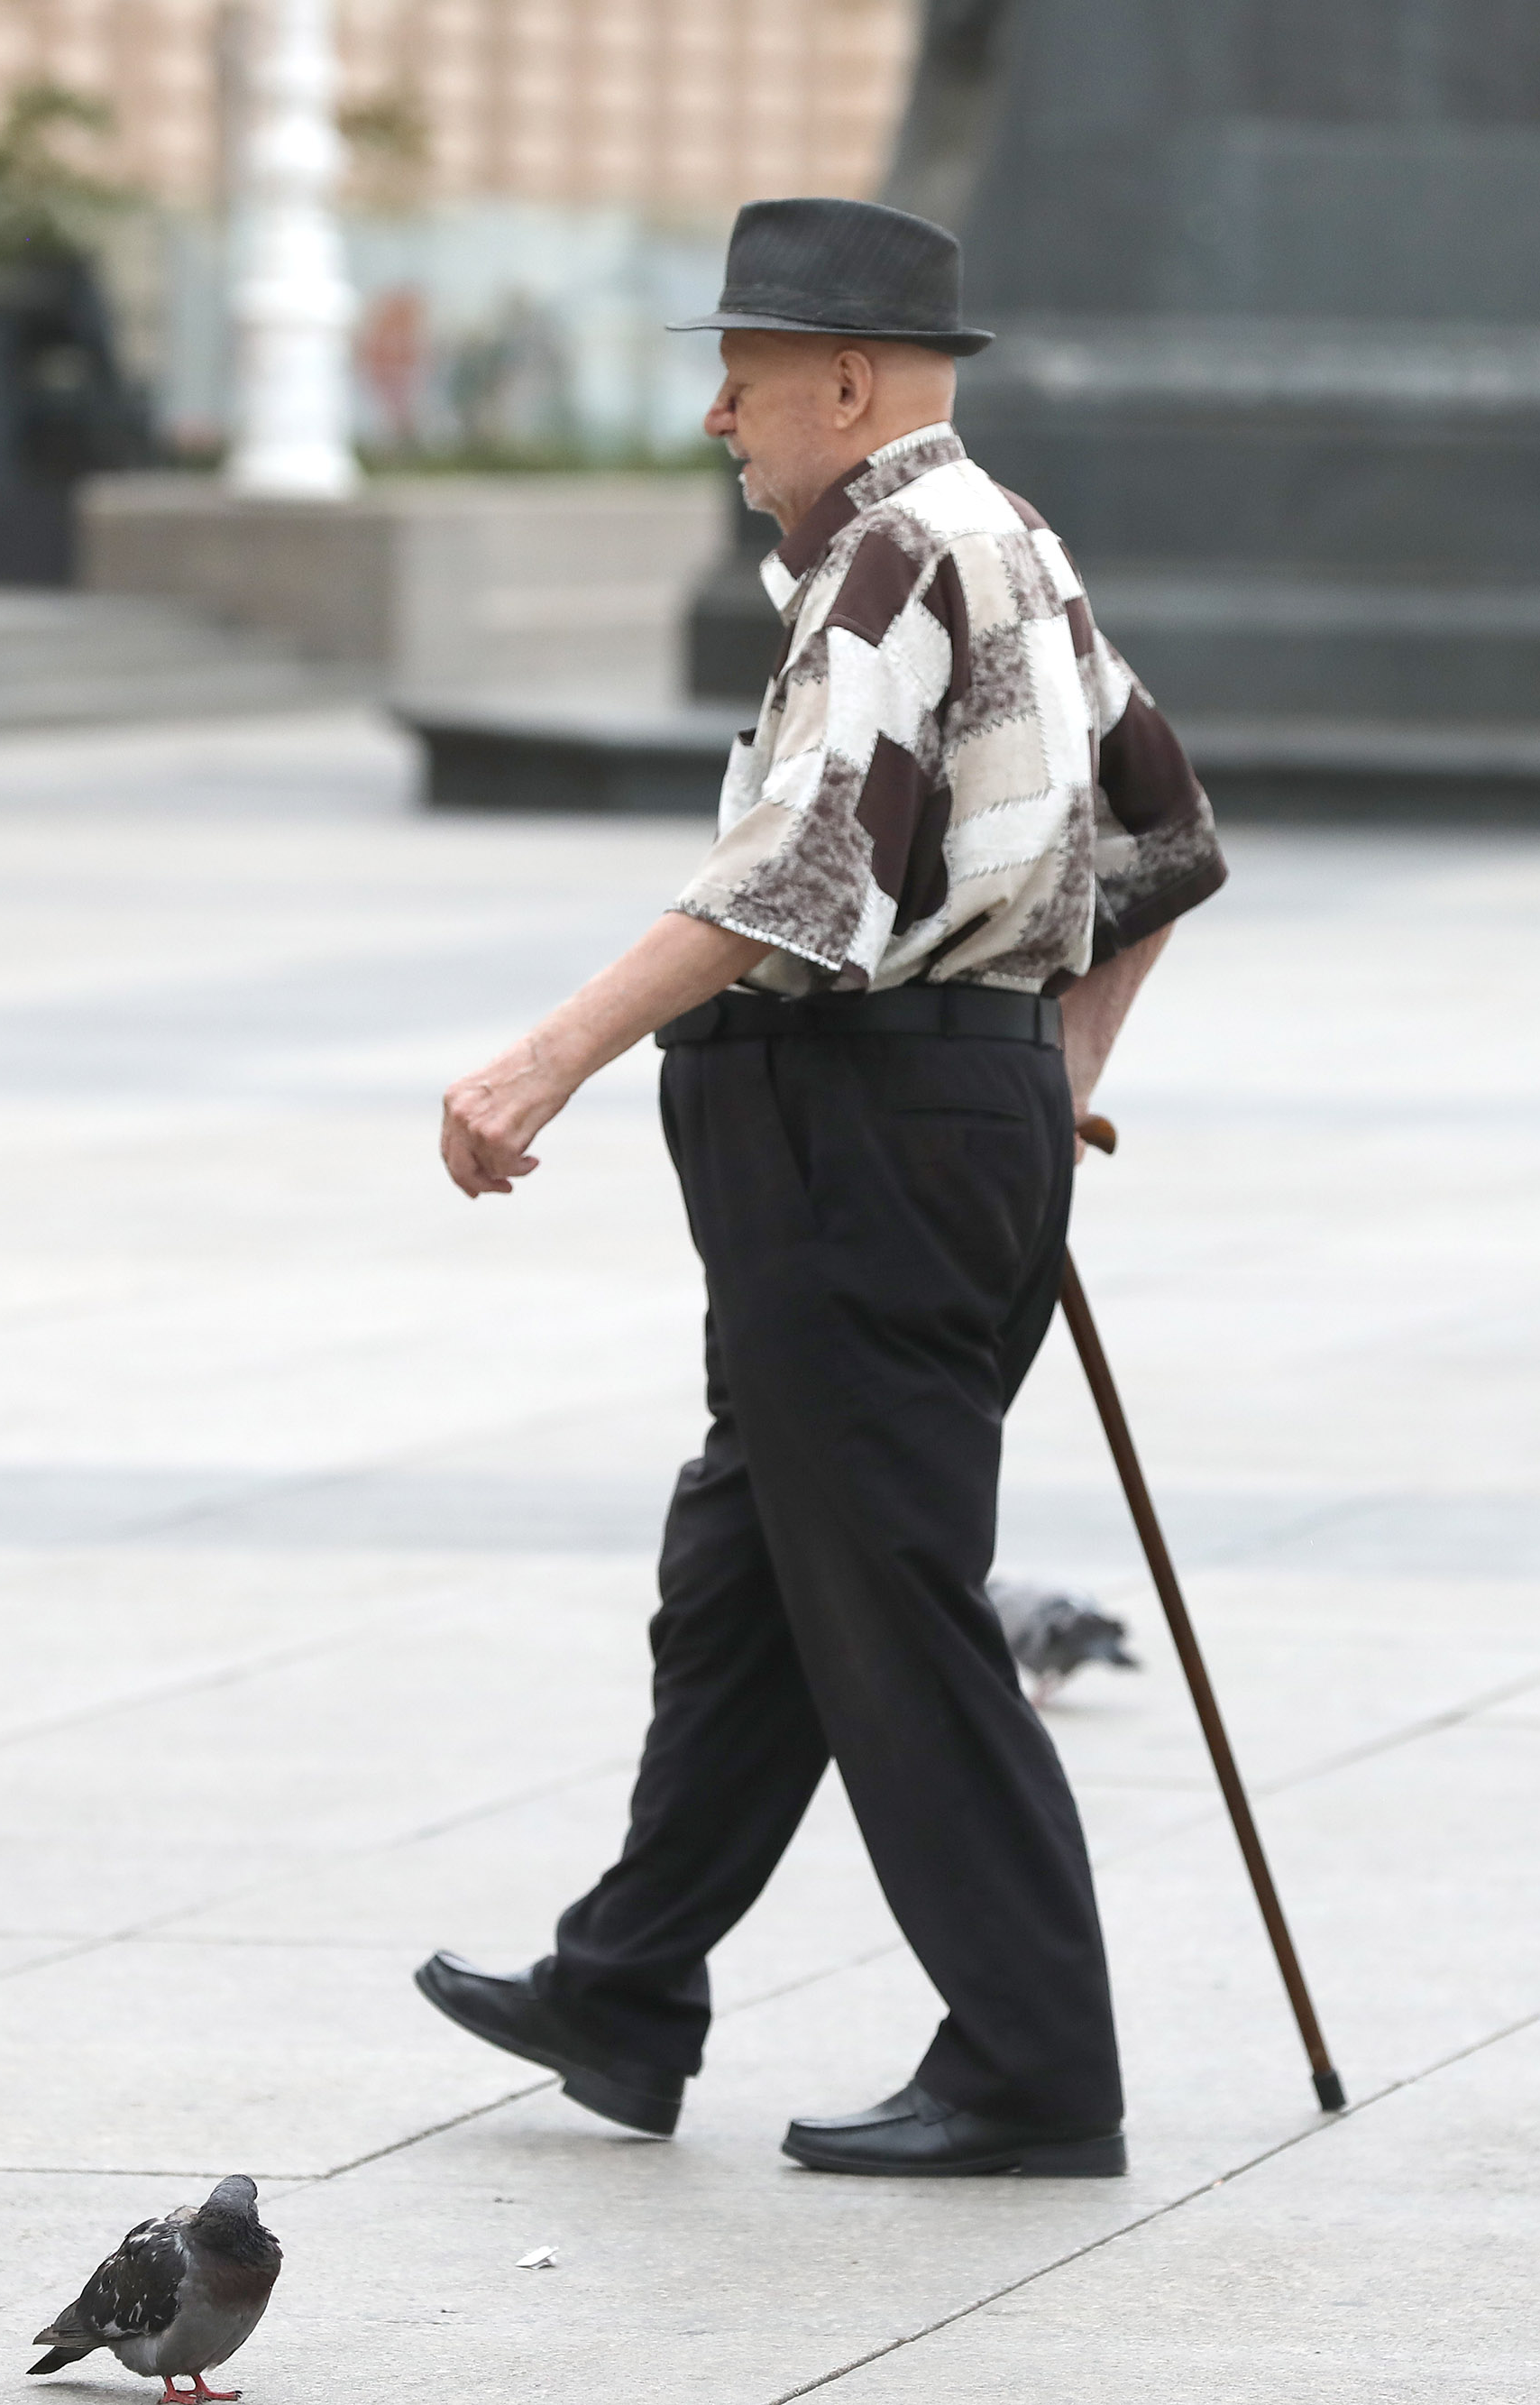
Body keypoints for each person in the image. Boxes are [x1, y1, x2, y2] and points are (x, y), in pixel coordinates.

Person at [413, 197, 1225, 2178]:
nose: (719, 413)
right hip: (925, 1129)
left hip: (857, 1135)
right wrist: (1053, 1075)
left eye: (745, 376)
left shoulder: (884, 558)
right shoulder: (1012, 539)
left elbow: (795, 883)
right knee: (754, 1578)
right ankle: (625, 1980)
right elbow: (1164, 836)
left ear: (846, 383)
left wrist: (541, 1059)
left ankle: (1036, 2063)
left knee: (889, 1607)